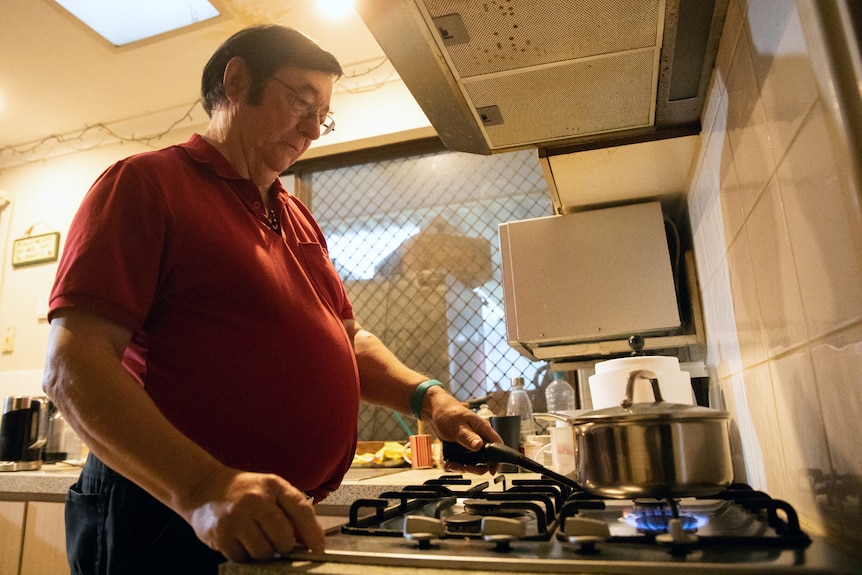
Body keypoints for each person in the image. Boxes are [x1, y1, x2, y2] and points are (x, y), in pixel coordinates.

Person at [42, 24, 502, 574]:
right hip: (167, 506)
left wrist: (429, 399)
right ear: (237, 81)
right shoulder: (145, 184)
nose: (312, 128)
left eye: (323, 115)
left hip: (263, 511)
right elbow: (73, 364)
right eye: (301, 101)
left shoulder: (296, 215)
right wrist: (203, 487)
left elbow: (348, 340)